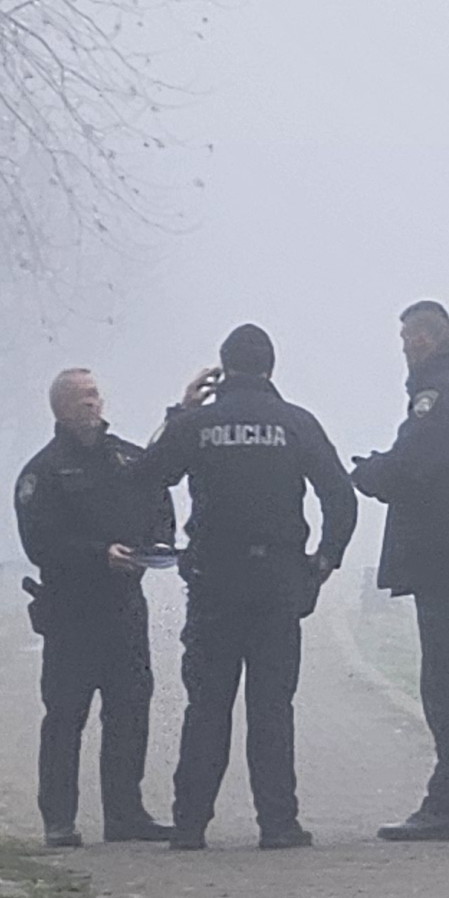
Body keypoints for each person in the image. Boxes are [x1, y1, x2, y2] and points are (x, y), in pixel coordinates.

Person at [147, 324, 357, 850]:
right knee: (272, 708)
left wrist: (182, 410)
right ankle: (278, 823)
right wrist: (324, 560)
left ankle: (191, 824)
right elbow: (341, 498)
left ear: (223, 370)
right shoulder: (296, 423)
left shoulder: (199, 423)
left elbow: (149, 475)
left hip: (214, 582)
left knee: (207, 706)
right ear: (270, 367)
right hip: (278, 584)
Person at [350, 298, 449, 841]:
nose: (404, 353)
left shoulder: (442, 394)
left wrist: (370, 473)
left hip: (443, 559)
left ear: (424, 340)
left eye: (407, 341)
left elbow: (411, 467)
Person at [10, 367, 174, 847]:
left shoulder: (127, 459)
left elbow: (158, 501)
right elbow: (40, 542)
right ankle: (59, 819)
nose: (91, 404)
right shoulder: (41, 473)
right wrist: (98, 555)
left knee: (129, 710)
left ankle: (125, 814)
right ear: (59, 407)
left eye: (95, 395)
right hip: (71, 611)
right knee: (65, 715)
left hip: (123, 606)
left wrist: (155, 547)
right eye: (80, 397)